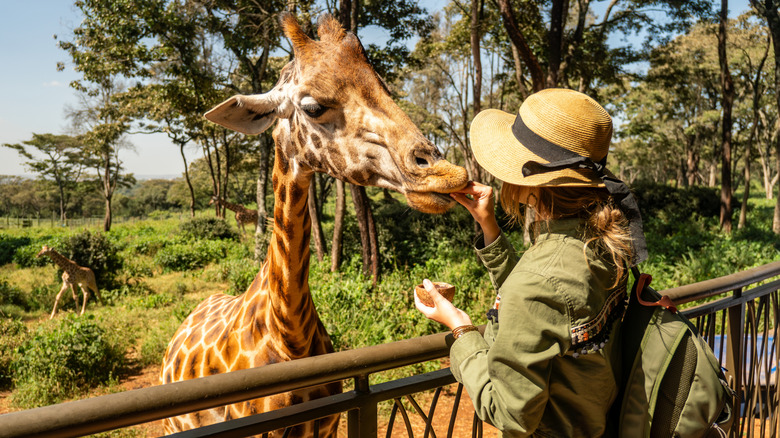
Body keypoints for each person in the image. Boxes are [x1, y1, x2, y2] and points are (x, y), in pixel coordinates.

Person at [414, 88, 648, 437]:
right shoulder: (603, 240)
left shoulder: (542, 276)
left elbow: (509, 413)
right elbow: (546, 309)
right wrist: (488, 225)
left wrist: (461, 330)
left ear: (535, 182)